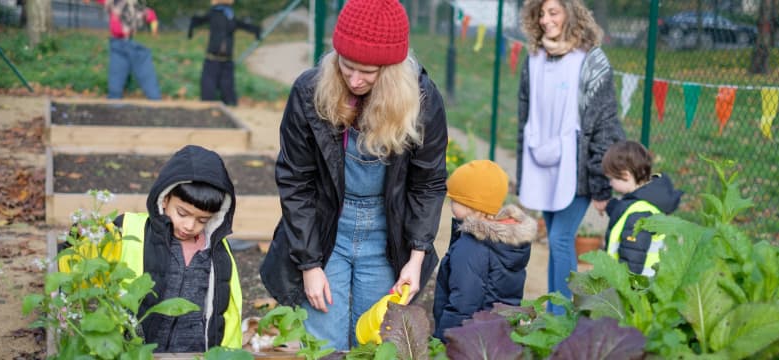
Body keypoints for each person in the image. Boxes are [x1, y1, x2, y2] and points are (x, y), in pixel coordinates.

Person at [258, 0, 448, 350]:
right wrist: (310, 264)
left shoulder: (421, 100)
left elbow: (428, 182)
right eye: (347, 67)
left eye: (368, 72)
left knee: (373, 342)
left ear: (391, 71)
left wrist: (416, 258)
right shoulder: (309, 91)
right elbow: (295, 181)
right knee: (324, 342)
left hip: (385, 234)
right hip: (326, 231)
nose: (355, 80)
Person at [60, 145, 242, 352]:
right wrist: (85, 236)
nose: (190, 226)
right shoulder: (129, 229)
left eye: (202, 220)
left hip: (195, 352)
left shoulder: (217, 251)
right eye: (182, 213)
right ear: (164, 200)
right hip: (135, 350)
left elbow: (228, 310)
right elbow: (78, 265)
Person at [516, 0, 625, 314]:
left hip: (577, 168)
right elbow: (525, 117)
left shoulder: (592, 60)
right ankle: (553, 313)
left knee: (562, 238)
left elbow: (603, 124)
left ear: (571, 14)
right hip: (542, 163)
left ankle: (562, 321)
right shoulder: (534, 58)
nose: (546, 20)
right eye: (541, 13)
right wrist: (526, 170)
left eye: (554, 12)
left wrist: (601, 185)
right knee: (554, 238)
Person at [432, 160, 536, 342]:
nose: (450, 204)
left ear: (472, 206)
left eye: (455, 200)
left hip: (470, 338)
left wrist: (443, 342)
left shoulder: (471, 247)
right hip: (499, 336)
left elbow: (463, 304)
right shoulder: (508, 242)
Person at [602, 141, 682, 276]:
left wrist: (626, 288)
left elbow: (632, 258)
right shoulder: (645, 202)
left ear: (625, 175)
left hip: (636, 286)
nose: (610, 183)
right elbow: (624, 212)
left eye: (611, 179)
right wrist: (612, 206)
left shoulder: (638, 214)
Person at [187, 0, 262, 106]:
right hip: (212, 59)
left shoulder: (230, 15)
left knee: (228, 88)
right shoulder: (213, 13)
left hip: (227, 60)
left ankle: (230, 104)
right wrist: (191, 28)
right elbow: (199, 20)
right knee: (208, 89)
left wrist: (256, 30)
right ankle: (208, 105)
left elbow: (242, 24)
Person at [85, 0, 162, 100]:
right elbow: (151, 16)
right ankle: (114, 98)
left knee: (143, 71)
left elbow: (151, 15)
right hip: (117, 44)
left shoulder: (135, 6)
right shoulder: (114, 3)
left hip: (131, 45)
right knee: (117, 73)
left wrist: (154, 29)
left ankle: (155, 97)